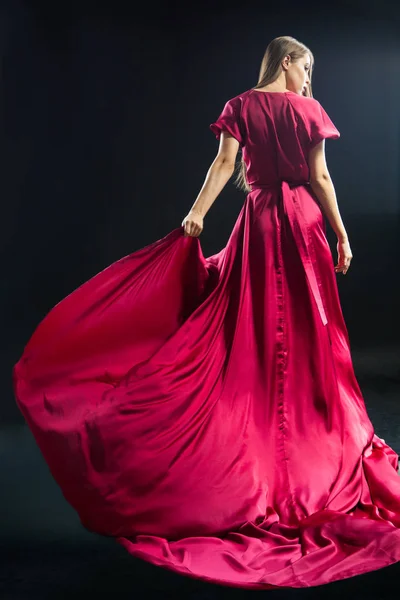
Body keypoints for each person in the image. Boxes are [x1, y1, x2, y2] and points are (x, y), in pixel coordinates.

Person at [12, 35, 400, 590]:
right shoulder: (308, 111)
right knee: (309, 339)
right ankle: (300, 436)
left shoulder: (241, 105)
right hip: (303, 227)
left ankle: (260, 426)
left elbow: (224, 166)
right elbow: (319, 178)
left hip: (260, 223)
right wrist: (341, 234)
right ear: (286, 62)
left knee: (254, 327)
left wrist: (196, 216)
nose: (309, 78)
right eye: (306, 66)